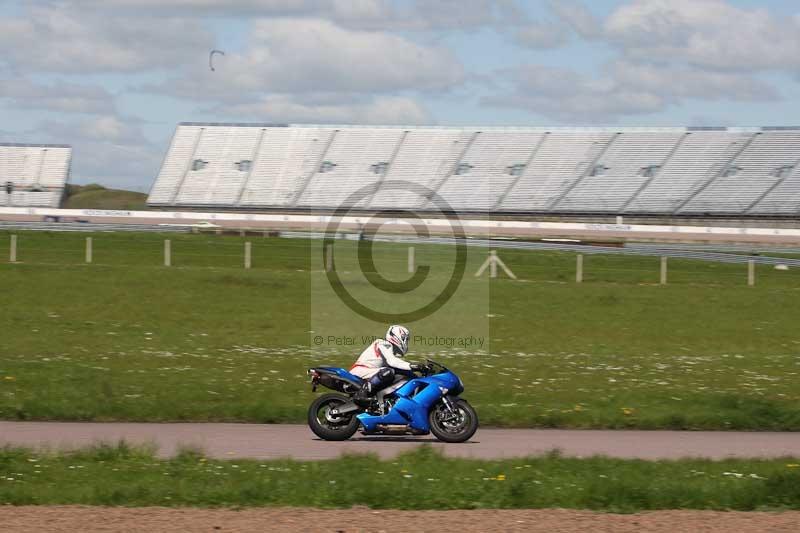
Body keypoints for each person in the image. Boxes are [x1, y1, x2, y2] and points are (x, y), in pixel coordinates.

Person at [349, 325, 422, 405]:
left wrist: (415, 373)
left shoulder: (389, 349)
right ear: (396, 336)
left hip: (369, 372)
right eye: (405, 338)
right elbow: (392, 362)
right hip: (360, 370)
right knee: (388, 372)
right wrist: (412, 366)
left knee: (403, 373)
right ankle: (361, 394)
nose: (405, 341)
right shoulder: (383, 343)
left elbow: (397, 365)